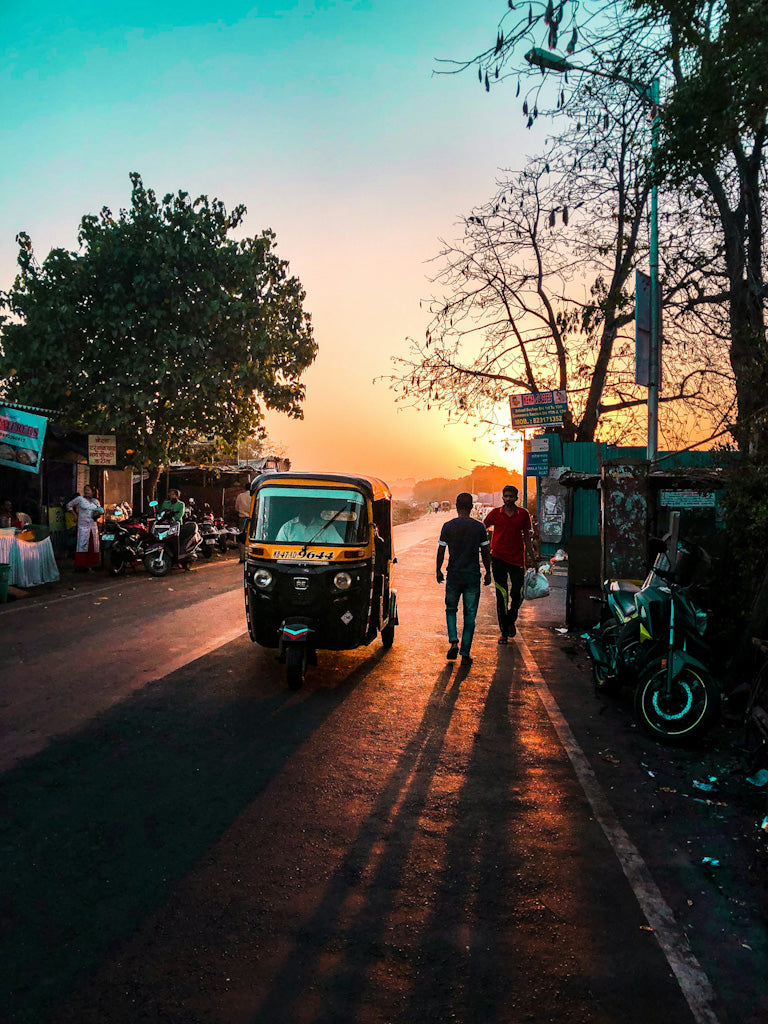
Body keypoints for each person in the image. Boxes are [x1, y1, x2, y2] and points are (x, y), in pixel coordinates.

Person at [436, 491, 491, 667]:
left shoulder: (448, 526)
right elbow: (485, 551)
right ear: (471, 507)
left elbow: (441, 550)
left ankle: (453, 640)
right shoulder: (479, 527)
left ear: (456, 506)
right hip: (472, 575)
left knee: (451, 609)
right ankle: (465, 651)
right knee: (470, 614)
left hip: (454, 574)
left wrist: (438, 570)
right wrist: (488, 571)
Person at [483, 484, 536, 643]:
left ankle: (510, 620)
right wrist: (484, 549)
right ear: (502, 497)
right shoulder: (495, 513)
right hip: (498, 558)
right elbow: (482, 529)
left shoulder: (523, 514)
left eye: (511, 496)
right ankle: (504, 632)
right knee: (502, 595)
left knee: (518, 594)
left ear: (516, 498)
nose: (508, 499)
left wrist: (532, 558)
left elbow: (527, 537)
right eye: (505, 496)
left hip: (517, 559)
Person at [66, 484, 105, 571]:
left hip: (93, 526)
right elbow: (69, 505)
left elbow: (100, 510)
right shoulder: (80, 499)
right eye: (85, 490)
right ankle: (81, 565)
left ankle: (91, 564)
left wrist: (98, 514)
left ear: (93, 492)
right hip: (83, 526)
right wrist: (74, 514)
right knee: (82, 544)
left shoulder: (96, 501)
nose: (86, 491)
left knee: (93, 545)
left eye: (88, 490)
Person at [276, 506, 342, 543]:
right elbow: (277, 549)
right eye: (303, 506)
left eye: (308, 506)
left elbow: (338, 546)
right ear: (298, 509)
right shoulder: (287, 527)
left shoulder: (327, 527)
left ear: (313, 509)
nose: (306, 511)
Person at [235, 484, 252, 563]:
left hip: (242, 518)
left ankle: (242, 558)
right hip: (252, 519)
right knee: (251, 537)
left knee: (241, 538)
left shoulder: (240, 496)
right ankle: (250, 557)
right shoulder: (254, 496)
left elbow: (236, 508)